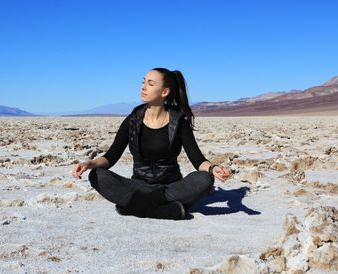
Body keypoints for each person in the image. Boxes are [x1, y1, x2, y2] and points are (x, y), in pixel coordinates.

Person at [72, 68, 231, 220]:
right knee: (98, 175)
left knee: (205, 179)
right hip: (138, 186)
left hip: (170, 188)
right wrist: (89, 163)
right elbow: (111, 156)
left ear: (164, 92)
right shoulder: (132, 120)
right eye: (143, 82)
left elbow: (197, 160)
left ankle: (135, 206)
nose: (143, 87)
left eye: (150, 83)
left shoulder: (179, 122)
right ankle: (165, 210)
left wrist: (212, 168)